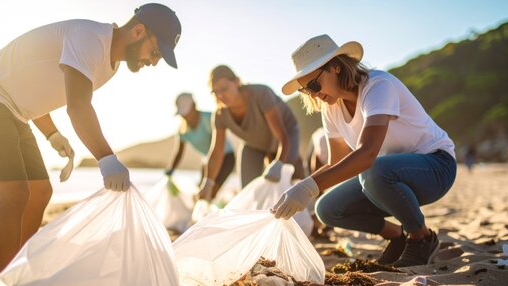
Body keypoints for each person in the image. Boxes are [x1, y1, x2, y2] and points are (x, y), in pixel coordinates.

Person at [0, 3, 182, 278]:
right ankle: (5, 283)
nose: (154, 62)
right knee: (14, 195)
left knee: (39, 192)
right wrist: (106, 158)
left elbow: (36, 87)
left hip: (14, 110)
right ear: (138, 31)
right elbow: (78, 106)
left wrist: (52, 134)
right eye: (155, 52)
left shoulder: (110, 64)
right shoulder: (90, 38)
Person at [271, 35, 457, 267]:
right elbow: (336, 162)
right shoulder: (331, 108)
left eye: (314, 85)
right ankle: (396, 235)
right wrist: (304, 191)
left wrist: (308, 187)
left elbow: (367, 153)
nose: (314, 94)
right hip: (387, 176)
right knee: (327, 209)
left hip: (437, 166)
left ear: (335, 67)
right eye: (306, 91)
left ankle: (422, 238)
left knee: (372, 170)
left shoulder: (378, 85)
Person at [197, 65, 305, 200]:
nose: (220, 96)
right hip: (253, 143)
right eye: (215, 92)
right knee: (247, 192)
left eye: (224, 89)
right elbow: (217, 151)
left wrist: (278, 163)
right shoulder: (220, 115)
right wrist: (208, 182)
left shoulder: (261, 94)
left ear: (236, 82)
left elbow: (282, 137)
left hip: (285, 135)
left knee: (289, 175)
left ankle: (308, 199)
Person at [165, 93, 236, 198]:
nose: (185, 116)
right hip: (208, 161)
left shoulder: (209, 118)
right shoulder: (183, 130)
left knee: (210, 192)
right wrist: (170, 170)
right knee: (200, 194)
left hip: (226, 157)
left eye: (186, 112)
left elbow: (217, 147)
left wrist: (209, 182)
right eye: (183, 113)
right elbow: (179, 152)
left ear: (194, 106)